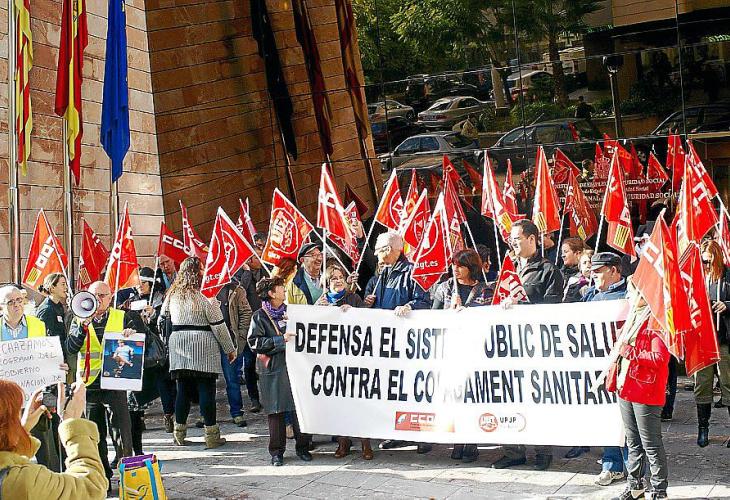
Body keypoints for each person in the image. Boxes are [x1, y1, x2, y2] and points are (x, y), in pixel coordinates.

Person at [493, 219, 563, 471]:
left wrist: (521, 306)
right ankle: (513, 451)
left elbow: (553, 309)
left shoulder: (548, 270)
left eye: (517, 239)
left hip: (536, 347)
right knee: (508, 398)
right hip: (508, 345)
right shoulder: (507, 268)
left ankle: (543, 451)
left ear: (532, 239)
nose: (512, 243)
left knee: (537, 399)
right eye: (510, 239)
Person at [66, 281, 144, 483]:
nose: (98, 300)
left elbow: (141, 342)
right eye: (94, 295)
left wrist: (131, 335)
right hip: (89, 383)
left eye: (102, 295)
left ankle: (128, 477)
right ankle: (103, 478)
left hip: (115, 381)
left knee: (122, 431)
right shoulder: (78, 318)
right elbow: (71, 348)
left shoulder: (122, 316)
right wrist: (82, 327)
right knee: (94, 434)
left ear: (110, 298)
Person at [161, 257, 237, 449]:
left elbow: (162, 318)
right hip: (203, 346)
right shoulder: (206, 295)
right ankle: (211, 435)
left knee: (183, 391)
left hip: (178, 345)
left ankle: (179, 434)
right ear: (198, 272)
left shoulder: (172, 294)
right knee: (206, 391)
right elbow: (218, 325)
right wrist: (229, 349)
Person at [364, 231, 430, 451]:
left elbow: (424, 301)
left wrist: (409, 306)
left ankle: (422, 436)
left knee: (413, 389)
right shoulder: (380, 276)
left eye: (378, 250)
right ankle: (397, 432)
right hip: (387, 343)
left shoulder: (412, 273)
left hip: (409, 343)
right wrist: (368, 303)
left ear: (390, 250)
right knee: (394, 390)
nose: (375, 254)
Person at [1, 285, 69, 473]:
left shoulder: (37, 324)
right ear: (1, 306)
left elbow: (46, 356)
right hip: (6, 401)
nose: (17, 305)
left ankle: (52, 483)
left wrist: (57, 366)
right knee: (8, 446)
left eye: (19, 300)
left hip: (35, 396)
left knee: (44, 447)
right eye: (11, 302)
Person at [0, 380, 108, 499]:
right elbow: (91, 487)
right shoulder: (23, 481)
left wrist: (21, 433)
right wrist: (74, 425)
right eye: (18, 412)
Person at [612, 284, 670, 500]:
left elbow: (659, 358)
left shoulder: (657, 321)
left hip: (645, 391)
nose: (629, 296)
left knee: (651, 444)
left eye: (633, 292)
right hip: (626, 387)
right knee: (632, 442)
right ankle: (635, 488)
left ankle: (659, 490)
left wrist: (629, 351)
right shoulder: (632, 318)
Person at [432, 248, 490, 463]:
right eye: (453, 265)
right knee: (454, 397)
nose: (455, 269)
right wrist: (450, 310)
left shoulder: (485, 290)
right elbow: (432, 316)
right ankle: (457, 440)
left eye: (460, 266)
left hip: (476, 352)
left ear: (471, 268)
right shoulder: (445, 287)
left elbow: (491, 318)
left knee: (472, 397)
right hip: (450, 351)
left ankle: (471, 442)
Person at [248, 277, 312, 466]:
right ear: (271, 293)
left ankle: (303, 447)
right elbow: (255, 343)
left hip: (296, 367)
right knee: (276, 411)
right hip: (273, 369)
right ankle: (277, 452)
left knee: (299, 408)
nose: (284, 290)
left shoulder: (291, 312)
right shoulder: (259, 316)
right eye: (281, 287)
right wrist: (280, 340)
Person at [315, 263, 374, 460]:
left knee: (359, 401)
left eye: (341, 277)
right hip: (333, 360)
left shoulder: (353, 298)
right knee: (338, 402)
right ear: (326, 282)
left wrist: (355, 313)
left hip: (354, 358)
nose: (339, 281)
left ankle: (365, 442)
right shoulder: (321, 301)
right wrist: (319, 310)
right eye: (334, 278)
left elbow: (368, 323)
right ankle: (343, 442)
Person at [582, 252, 629, 486]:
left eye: (598, 271)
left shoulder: (630, 294)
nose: (593, 276)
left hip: (624, 366)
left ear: (613, 270)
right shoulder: (590, 295)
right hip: (597, 367)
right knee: (607, 415)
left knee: (626, 418)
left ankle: (633, 468)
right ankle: (612, 464)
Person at [695, 240, 730, 448]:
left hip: (724, 338)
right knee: (702, 384)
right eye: (703, 261)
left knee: (727, 383)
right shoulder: (698, 277)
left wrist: (726, 305)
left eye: (708, 261)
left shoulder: (727, 275)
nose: (706, 265)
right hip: (703, 340)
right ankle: (703, 428)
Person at [216, 277, 255, 427]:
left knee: (232, 379)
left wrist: (241, 336)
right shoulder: (205, 289)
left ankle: (237, 412)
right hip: (210, 342)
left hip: (230, 341)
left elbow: (246, 313)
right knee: (207, 381)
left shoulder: (236, 289)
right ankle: (205, 415)